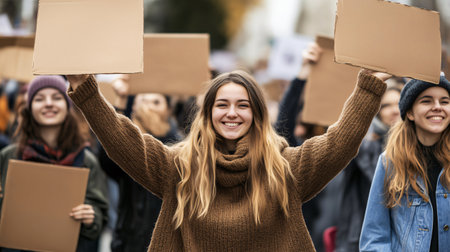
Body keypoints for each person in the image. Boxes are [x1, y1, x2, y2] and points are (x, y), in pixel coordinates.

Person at [66, 68, 388, 251]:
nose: (232, 113)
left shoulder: (285, 169)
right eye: (222, 105)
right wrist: (86, 90)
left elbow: (339, 143)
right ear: (207, 114)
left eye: (243, 105)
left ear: (258, 114)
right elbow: (124, 142)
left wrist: (369, 88)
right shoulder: (178, 168)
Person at [0, 75, 109, 252]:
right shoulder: (9, 156)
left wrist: (91, 217)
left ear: (67, 107)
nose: (49, 103)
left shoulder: (85, 160)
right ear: (29, 108)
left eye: (57, 98)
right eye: (39, 99)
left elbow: (100, 214)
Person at [360, 75, 450, 251]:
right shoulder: (389, 162)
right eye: (426, 101)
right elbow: (374, 237)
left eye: (445, 101)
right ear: (409, 112)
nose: (437, 107)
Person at [98, 75, 181, 252]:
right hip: (129, 240)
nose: (149, 106)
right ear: (134, 106)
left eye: (156, 102)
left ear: (168, 110)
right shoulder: (128, 146)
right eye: (142, 100)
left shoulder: (181, 147)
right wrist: (120, 100)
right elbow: (108, 158)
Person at [335, 83, 402, 252]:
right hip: (363, 240)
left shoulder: (422, 147)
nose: (394, 110)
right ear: (376, 112)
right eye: (386, 106)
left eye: (399, 103)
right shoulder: (360, 148)